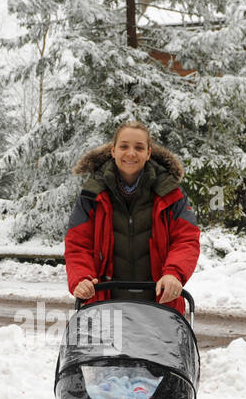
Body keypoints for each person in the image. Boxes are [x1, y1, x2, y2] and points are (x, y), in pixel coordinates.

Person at [64, 121, 199, 316]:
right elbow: (77, 244)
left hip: (160, 307)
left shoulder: (171, 193)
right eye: (124, 146)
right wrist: (81, 278)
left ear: (149, 153)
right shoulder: (92, 194)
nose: (131, 153)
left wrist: (174, 274)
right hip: (104, 306)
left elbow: (186, 239)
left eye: (139, 147)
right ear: (113, 150)